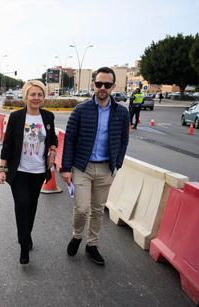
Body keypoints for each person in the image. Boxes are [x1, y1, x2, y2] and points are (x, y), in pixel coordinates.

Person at [62, 67, 129, 265]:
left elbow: (124, 140)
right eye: (99, 84)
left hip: (106, 168)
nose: (102, 88)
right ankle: (77, 236)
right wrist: (66, 169)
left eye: (107, 85)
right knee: (82, 208)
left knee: (98, 210)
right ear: (93, 85)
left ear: (113, 87)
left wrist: (117, 163)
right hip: (82, 167)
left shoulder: (122, 112)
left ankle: (92, 245)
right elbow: (70, 140)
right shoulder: (81, 110)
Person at [0, 80, 58, 265]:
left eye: (40, 94)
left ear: (43, 97)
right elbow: (7, 144)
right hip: (19, 171)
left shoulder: (48, 117)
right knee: (22, 204)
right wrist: (2, 168)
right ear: (26, 96)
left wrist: (53, 151)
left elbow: (52, 137)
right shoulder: (16, 117)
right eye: (33, 94)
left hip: (39, 171)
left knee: (32, 206)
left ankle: (28, 235)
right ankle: (24, 246)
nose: (36, 98)